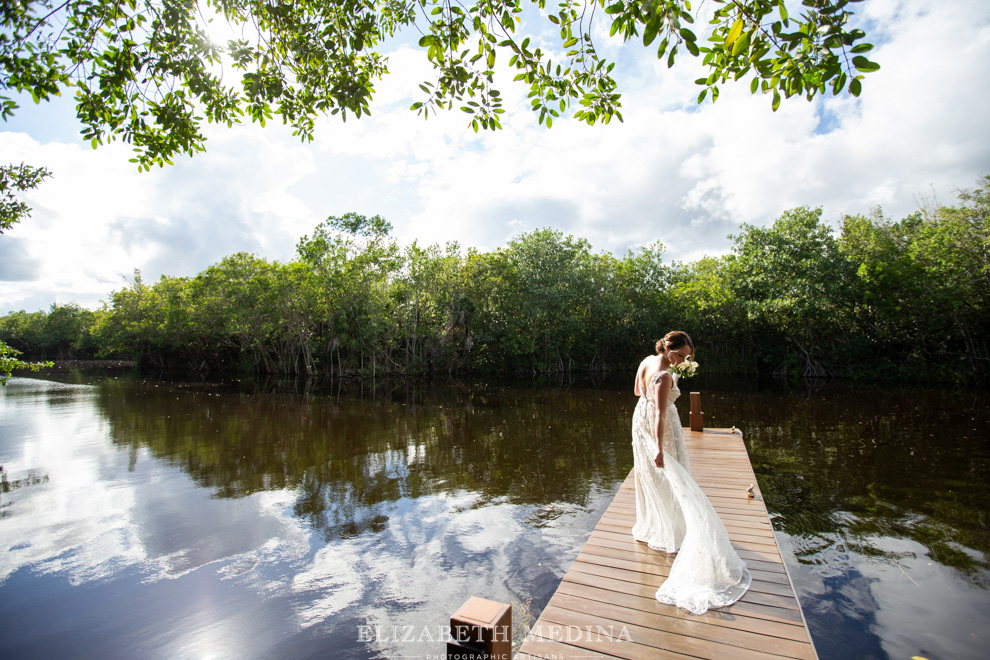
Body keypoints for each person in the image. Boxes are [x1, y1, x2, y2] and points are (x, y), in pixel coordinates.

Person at [631, 331, 751, 614]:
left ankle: (656, 525)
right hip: (659, 425)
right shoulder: (664, 375)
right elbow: (661, 413)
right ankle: (675, 530)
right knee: (673, 474)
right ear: (669, 349)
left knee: (653, 477)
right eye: (680, 355)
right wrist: (659, 447)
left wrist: (653, 400)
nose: (682, 360)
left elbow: (638, 391)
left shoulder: (648, 360)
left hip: (640, 417)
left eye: (686, 358)